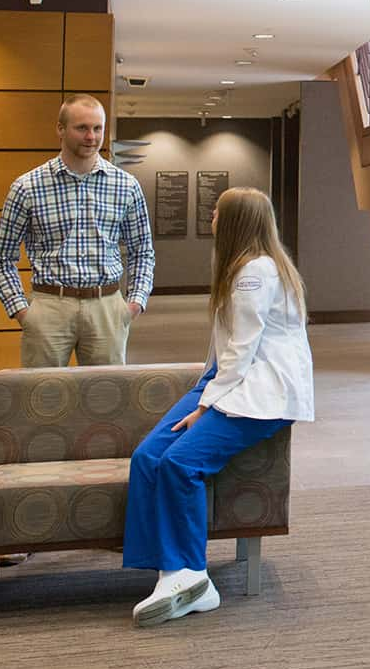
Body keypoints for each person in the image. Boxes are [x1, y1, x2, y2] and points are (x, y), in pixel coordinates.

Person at [124, 186, 314, 627]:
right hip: (225, 380)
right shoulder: (243, 266)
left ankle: (192, 575)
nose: (210, 217)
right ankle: (168, 569)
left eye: (216, 212)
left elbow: (243, 351)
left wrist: (206, 407)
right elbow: (227, 350)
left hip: (259, 392)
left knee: (180, 464)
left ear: (234, 223)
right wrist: (205, 390)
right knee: (148, 457)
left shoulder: (255, 273)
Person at [0, 93, 155, 365]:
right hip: (49, 306)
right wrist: (21, 310)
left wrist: (134, 304)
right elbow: (1, 259)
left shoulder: (126, 185)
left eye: (97, 128)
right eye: (82, 128)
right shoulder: (27, 187)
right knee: (42, 399)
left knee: (107, 399)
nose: (91, 137)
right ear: (60, 129)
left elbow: (142, 252)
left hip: (107, 306)